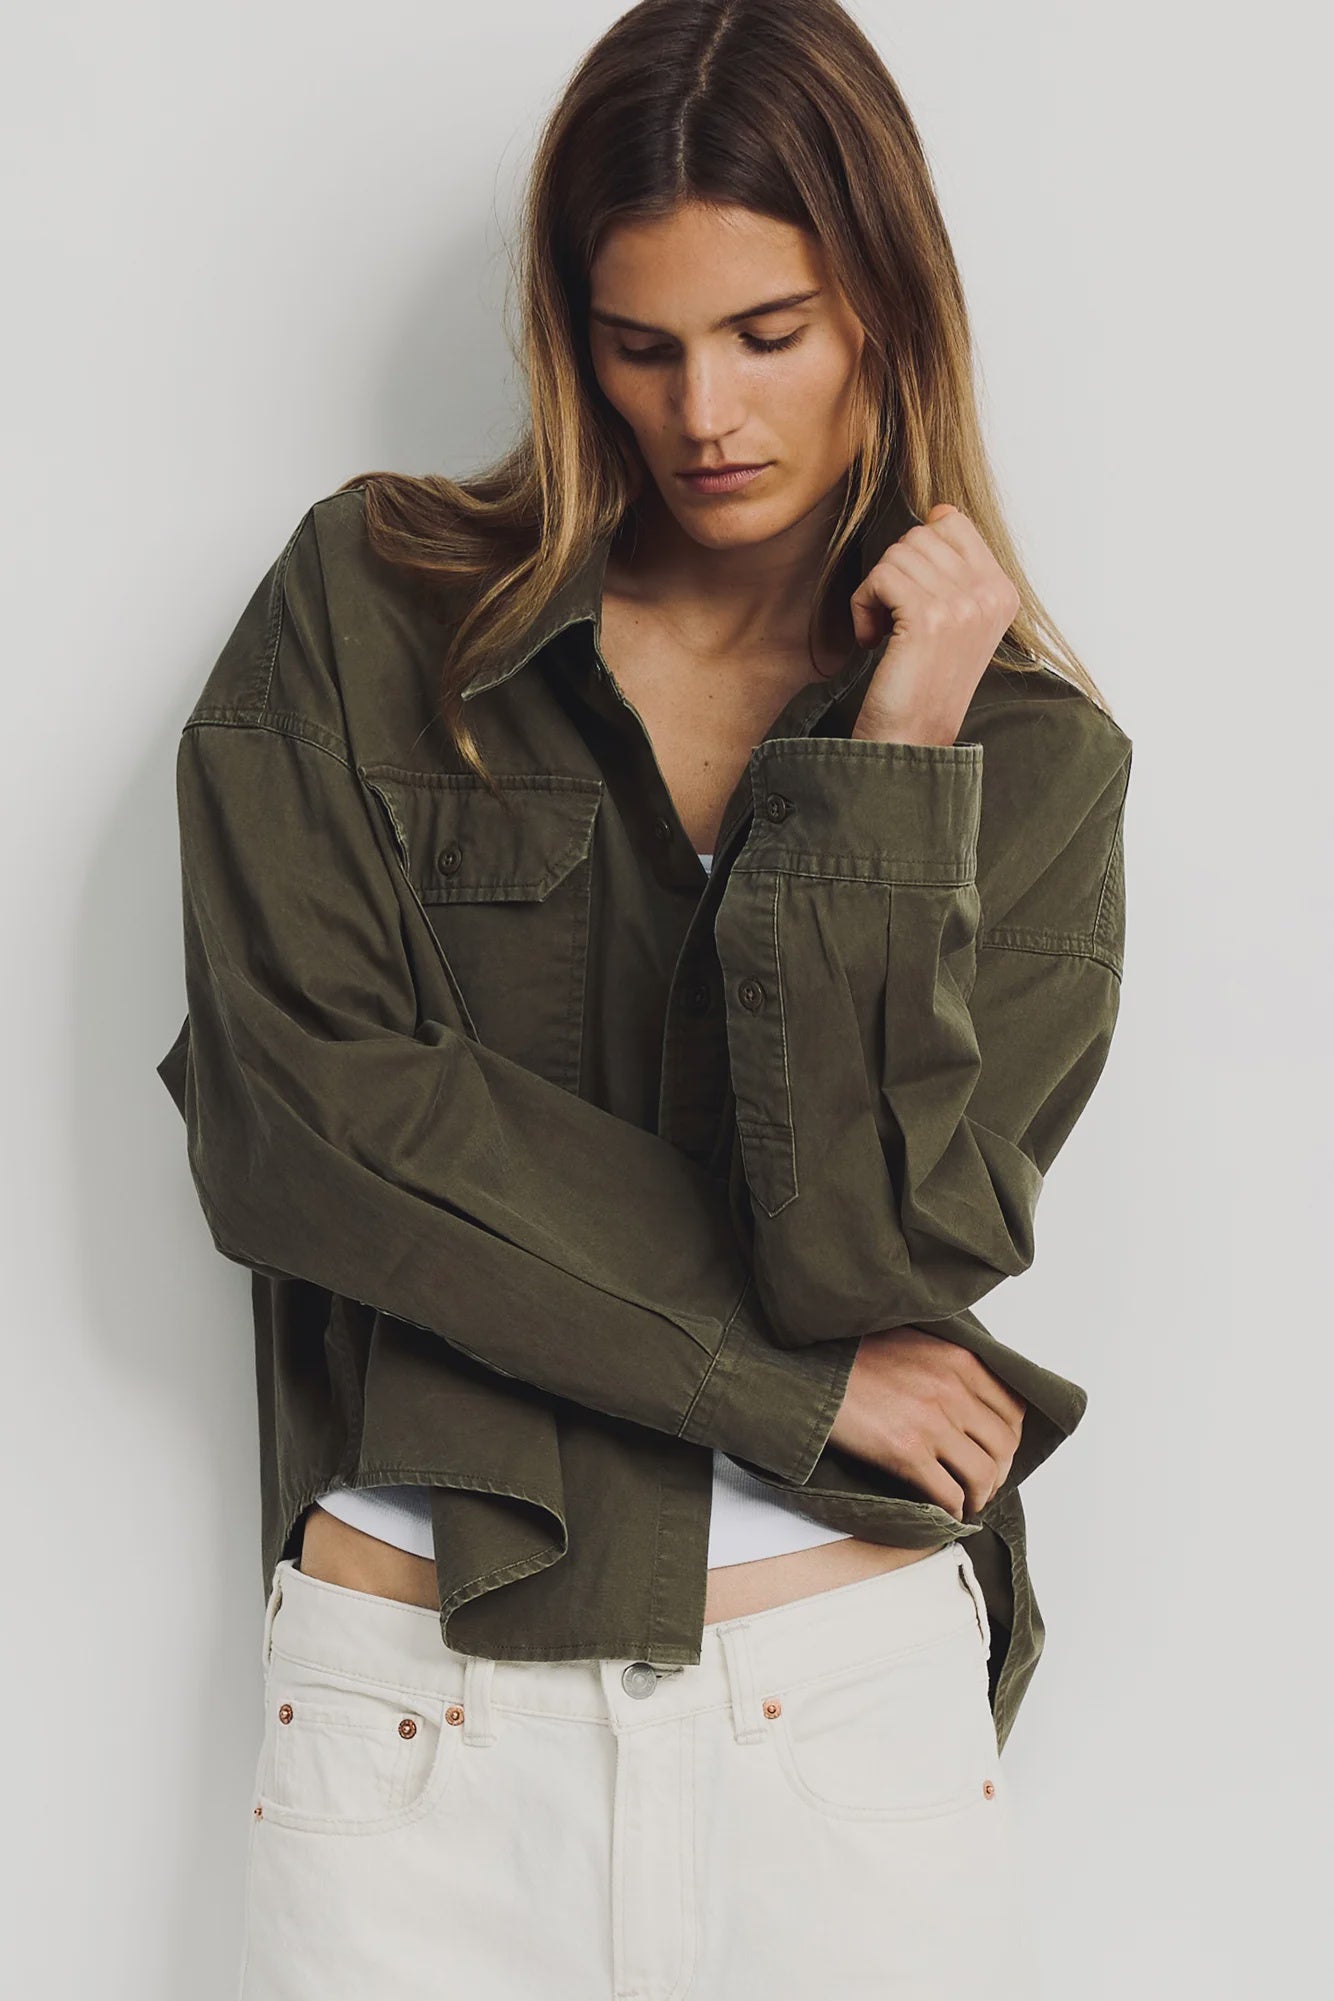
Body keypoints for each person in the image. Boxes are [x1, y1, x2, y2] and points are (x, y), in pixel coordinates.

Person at [156, 2, 1131, 1994]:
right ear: (564, 330)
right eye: (641, 340)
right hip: (417, 1710)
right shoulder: (369, 606)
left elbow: (872, 1242)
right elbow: (298, 1125)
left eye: (769, 331)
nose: (705, 410)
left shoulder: (1024, 755)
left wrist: (894, 757)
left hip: (838, 1711)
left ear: (884, 311)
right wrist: (788, 1382)